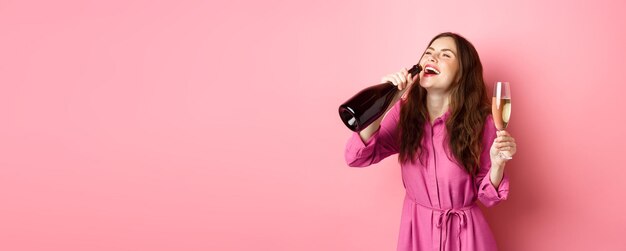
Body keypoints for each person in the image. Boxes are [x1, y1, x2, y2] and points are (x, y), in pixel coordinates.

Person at [344, 32, 517, 251]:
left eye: (445, 55)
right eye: (428, 52)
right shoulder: (404, 113)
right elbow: (356, 157)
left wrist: (498, 164)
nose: (432, 58)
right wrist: (387, 101)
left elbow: (489, 197)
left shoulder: (483, 121)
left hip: (466, 239)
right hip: (417, 235)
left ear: (461, 74)